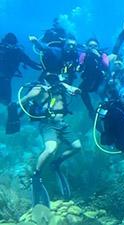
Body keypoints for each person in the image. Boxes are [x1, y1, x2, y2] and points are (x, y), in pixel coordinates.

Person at [18, 73, 82, 208]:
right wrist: (30, 96)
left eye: (55, 78)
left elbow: (73, 89)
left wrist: (75, 90)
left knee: (77, 147)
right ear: (45, 80)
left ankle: (56, 163)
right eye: (50, 79)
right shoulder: (39, 90)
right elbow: (21, 102)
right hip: (48, 125)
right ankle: (36, 175)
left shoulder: (61, 87)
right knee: (51, 149)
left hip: (63, 124)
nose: (53, 81)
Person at [0, 32, 42, 134]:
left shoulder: (11, 50)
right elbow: (32, 64)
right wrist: (45, 67)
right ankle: (12, 128)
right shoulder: (18, 52)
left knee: (7, 104)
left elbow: (31, 63)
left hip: (5, 81)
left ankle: (11, 127)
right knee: (8, 104)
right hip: (5, 81)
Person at [78, 38, 109, 118]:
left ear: (98, 46)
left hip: (100, 79)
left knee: (101, 92)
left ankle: (107, 107)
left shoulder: (103, 55)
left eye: (95, 46)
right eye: (90, 46)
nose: (93, 47)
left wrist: (98, 56)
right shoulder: (84, 55)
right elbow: (80, 66)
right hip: (88, 79)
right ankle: (90, 110)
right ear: (87, 47)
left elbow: (106, 66)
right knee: (81, 91)